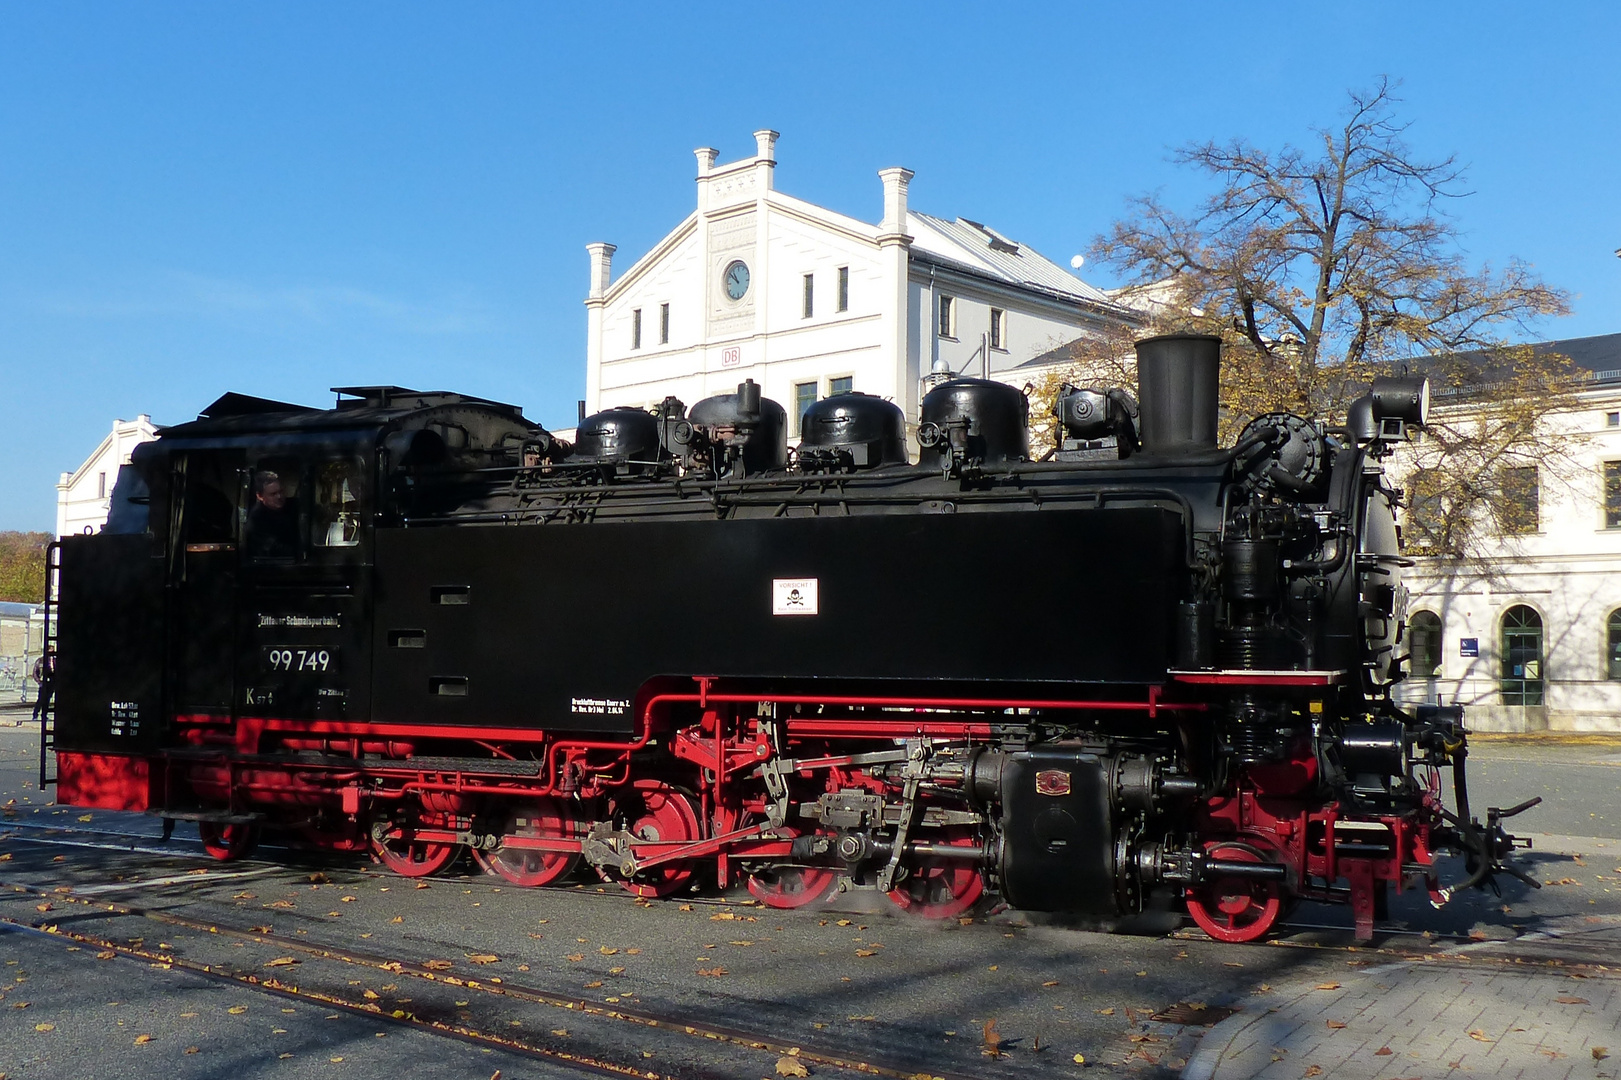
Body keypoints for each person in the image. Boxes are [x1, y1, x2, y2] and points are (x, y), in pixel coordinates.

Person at [245, 470, 300, 558]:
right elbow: (275, 548)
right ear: (260, 496)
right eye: (273, 494)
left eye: (281, 492)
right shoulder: (256, 520)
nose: (279, 497)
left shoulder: (293, 506)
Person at [31, 647, 55, 721]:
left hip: (51, 683)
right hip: (43, 682)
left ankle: (44, 715)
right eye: (50, 650)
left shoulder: (54, 660)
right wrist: (39, 681)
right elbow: (35, 672)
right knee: (41, 699)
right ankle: (35, 714)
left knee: (47, 700)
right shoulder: (40, 660)